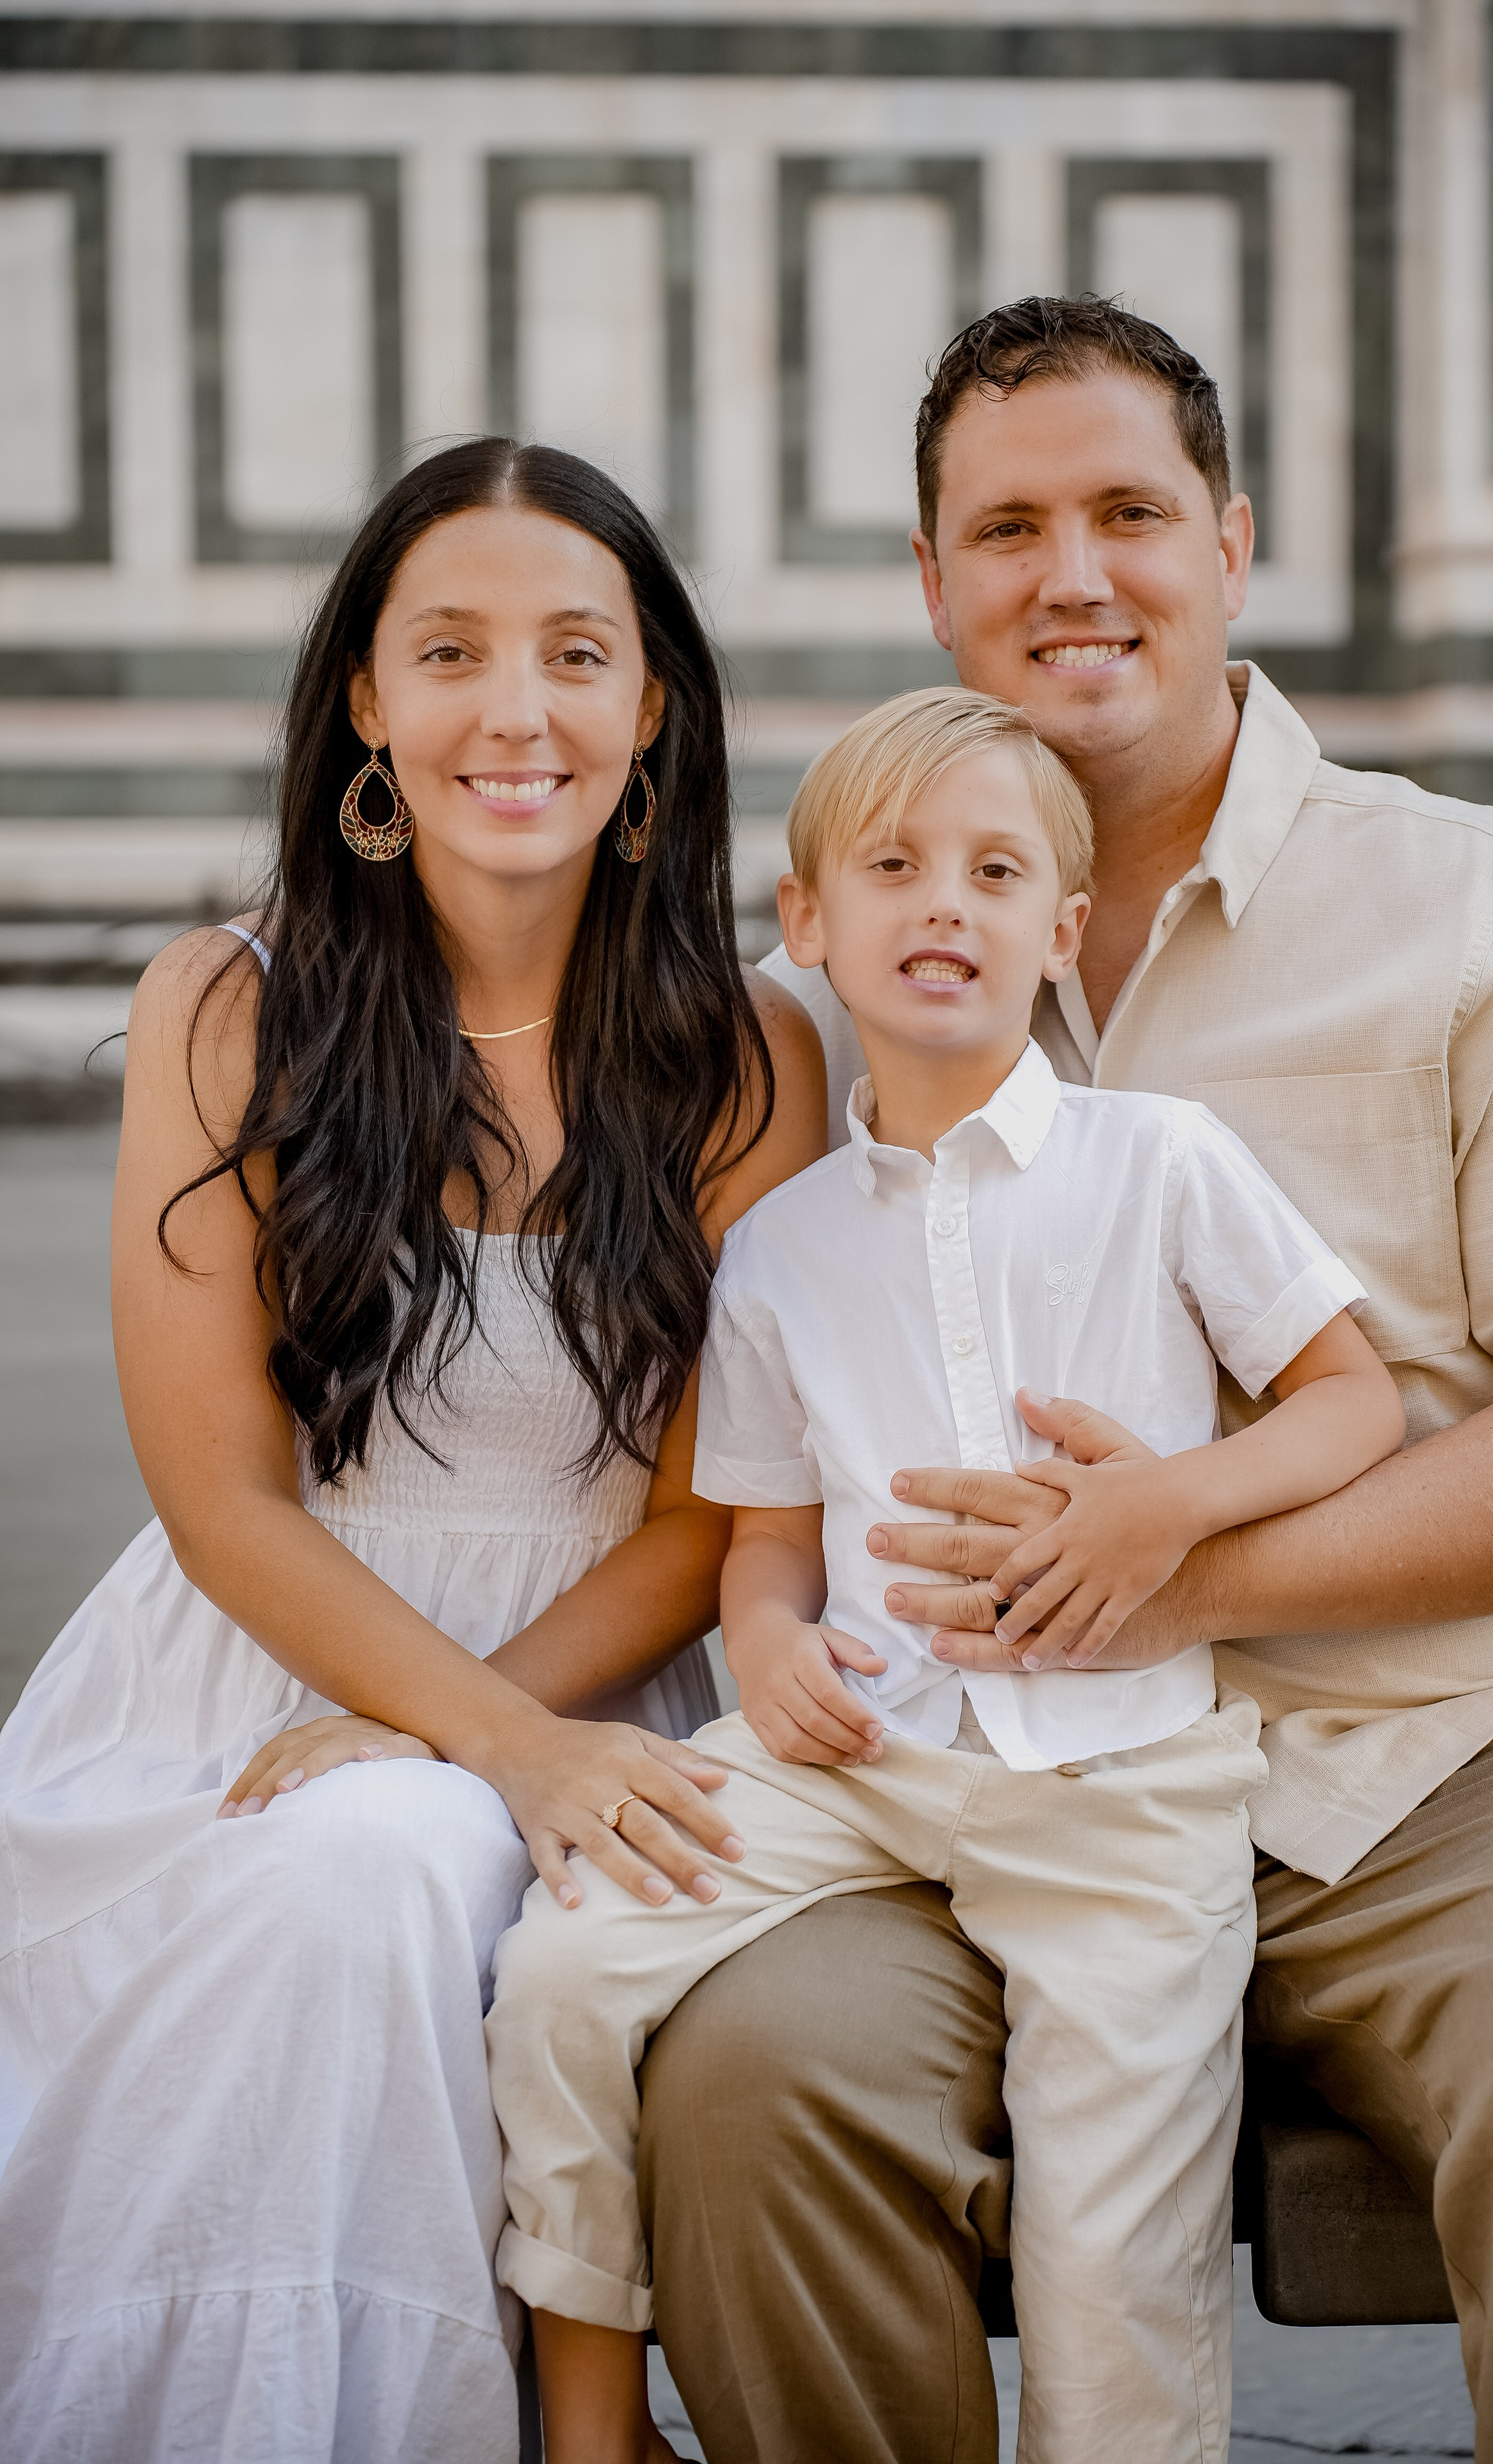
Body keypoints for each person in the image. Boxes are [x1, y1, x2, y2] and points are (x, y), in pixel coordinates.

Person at [636, 300, 1493, 2464]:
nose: (1071, 574)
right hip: (954, 1770)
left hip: (1433, 1744)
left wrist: (1182, 1568)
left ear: (1234, 543)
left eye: (1130, 512)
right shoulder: (813, 1006)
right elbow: (710, 1439)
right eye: (1007, 526)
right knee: (741, 2076)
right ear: (933, 584)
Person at [0, 439, 824, 2464]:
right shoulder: (227, 1007)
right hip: (252, 1684)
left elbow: (704, 1513)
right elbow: (220, 1502)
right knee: (350, 1868)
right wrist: (466, 1743)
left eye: (574, 654)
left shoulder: (754, 1051)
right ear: (367, 699)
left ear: (653, 711)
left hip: (594, 1677)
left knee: (389, 1847)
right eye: (446, 652)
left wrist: (494, 1740)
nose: (512, 713)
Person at [485, 686, 1404, 2464]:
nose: (944, 905)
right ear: (808, 923)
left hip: (1125, 1788)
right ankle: (588, 2423)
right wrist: (766, 1657)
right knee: (561, 1969)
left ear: (1059, 932)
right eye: (894, 867)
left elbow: (1350, 1400)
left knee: (1110, 2266)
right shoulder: (777, 1248)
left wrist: (1176, 1509)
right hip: (864, 1760)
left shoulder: (1163, 1165)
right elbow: (763, 1544)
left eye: (995, 872)